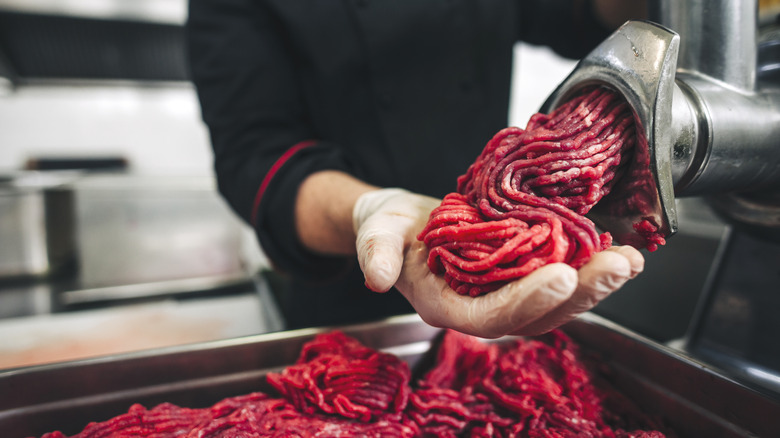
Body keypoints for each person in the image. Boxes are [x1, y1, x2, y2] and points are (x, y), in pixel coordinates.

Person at [185, 0, 647, 338]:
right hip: (348, 294)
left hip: (501, 250)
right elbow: (256, 157)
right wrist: (370, 209)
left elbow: (582, 16)